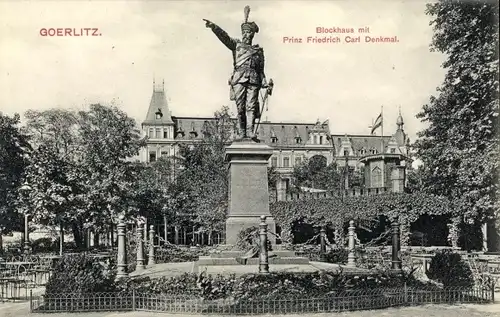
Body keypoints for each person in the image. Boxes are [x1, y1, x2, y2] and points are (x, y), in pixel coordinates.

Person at [203, 6, 268, 140]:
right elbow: (225, 37)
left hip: (254, 80)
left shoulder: (258, 51)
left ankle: (250, 131)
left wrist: (265, 82)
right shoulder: (236, 45)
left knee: (251, 106)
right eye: (244, 32)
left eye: (249, 32)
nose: (246, 35)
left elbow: (261, 69)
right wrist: (214, 27)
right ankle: (242, 131)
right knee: (240, 108)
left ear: (252, 34)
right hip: (239, 78)